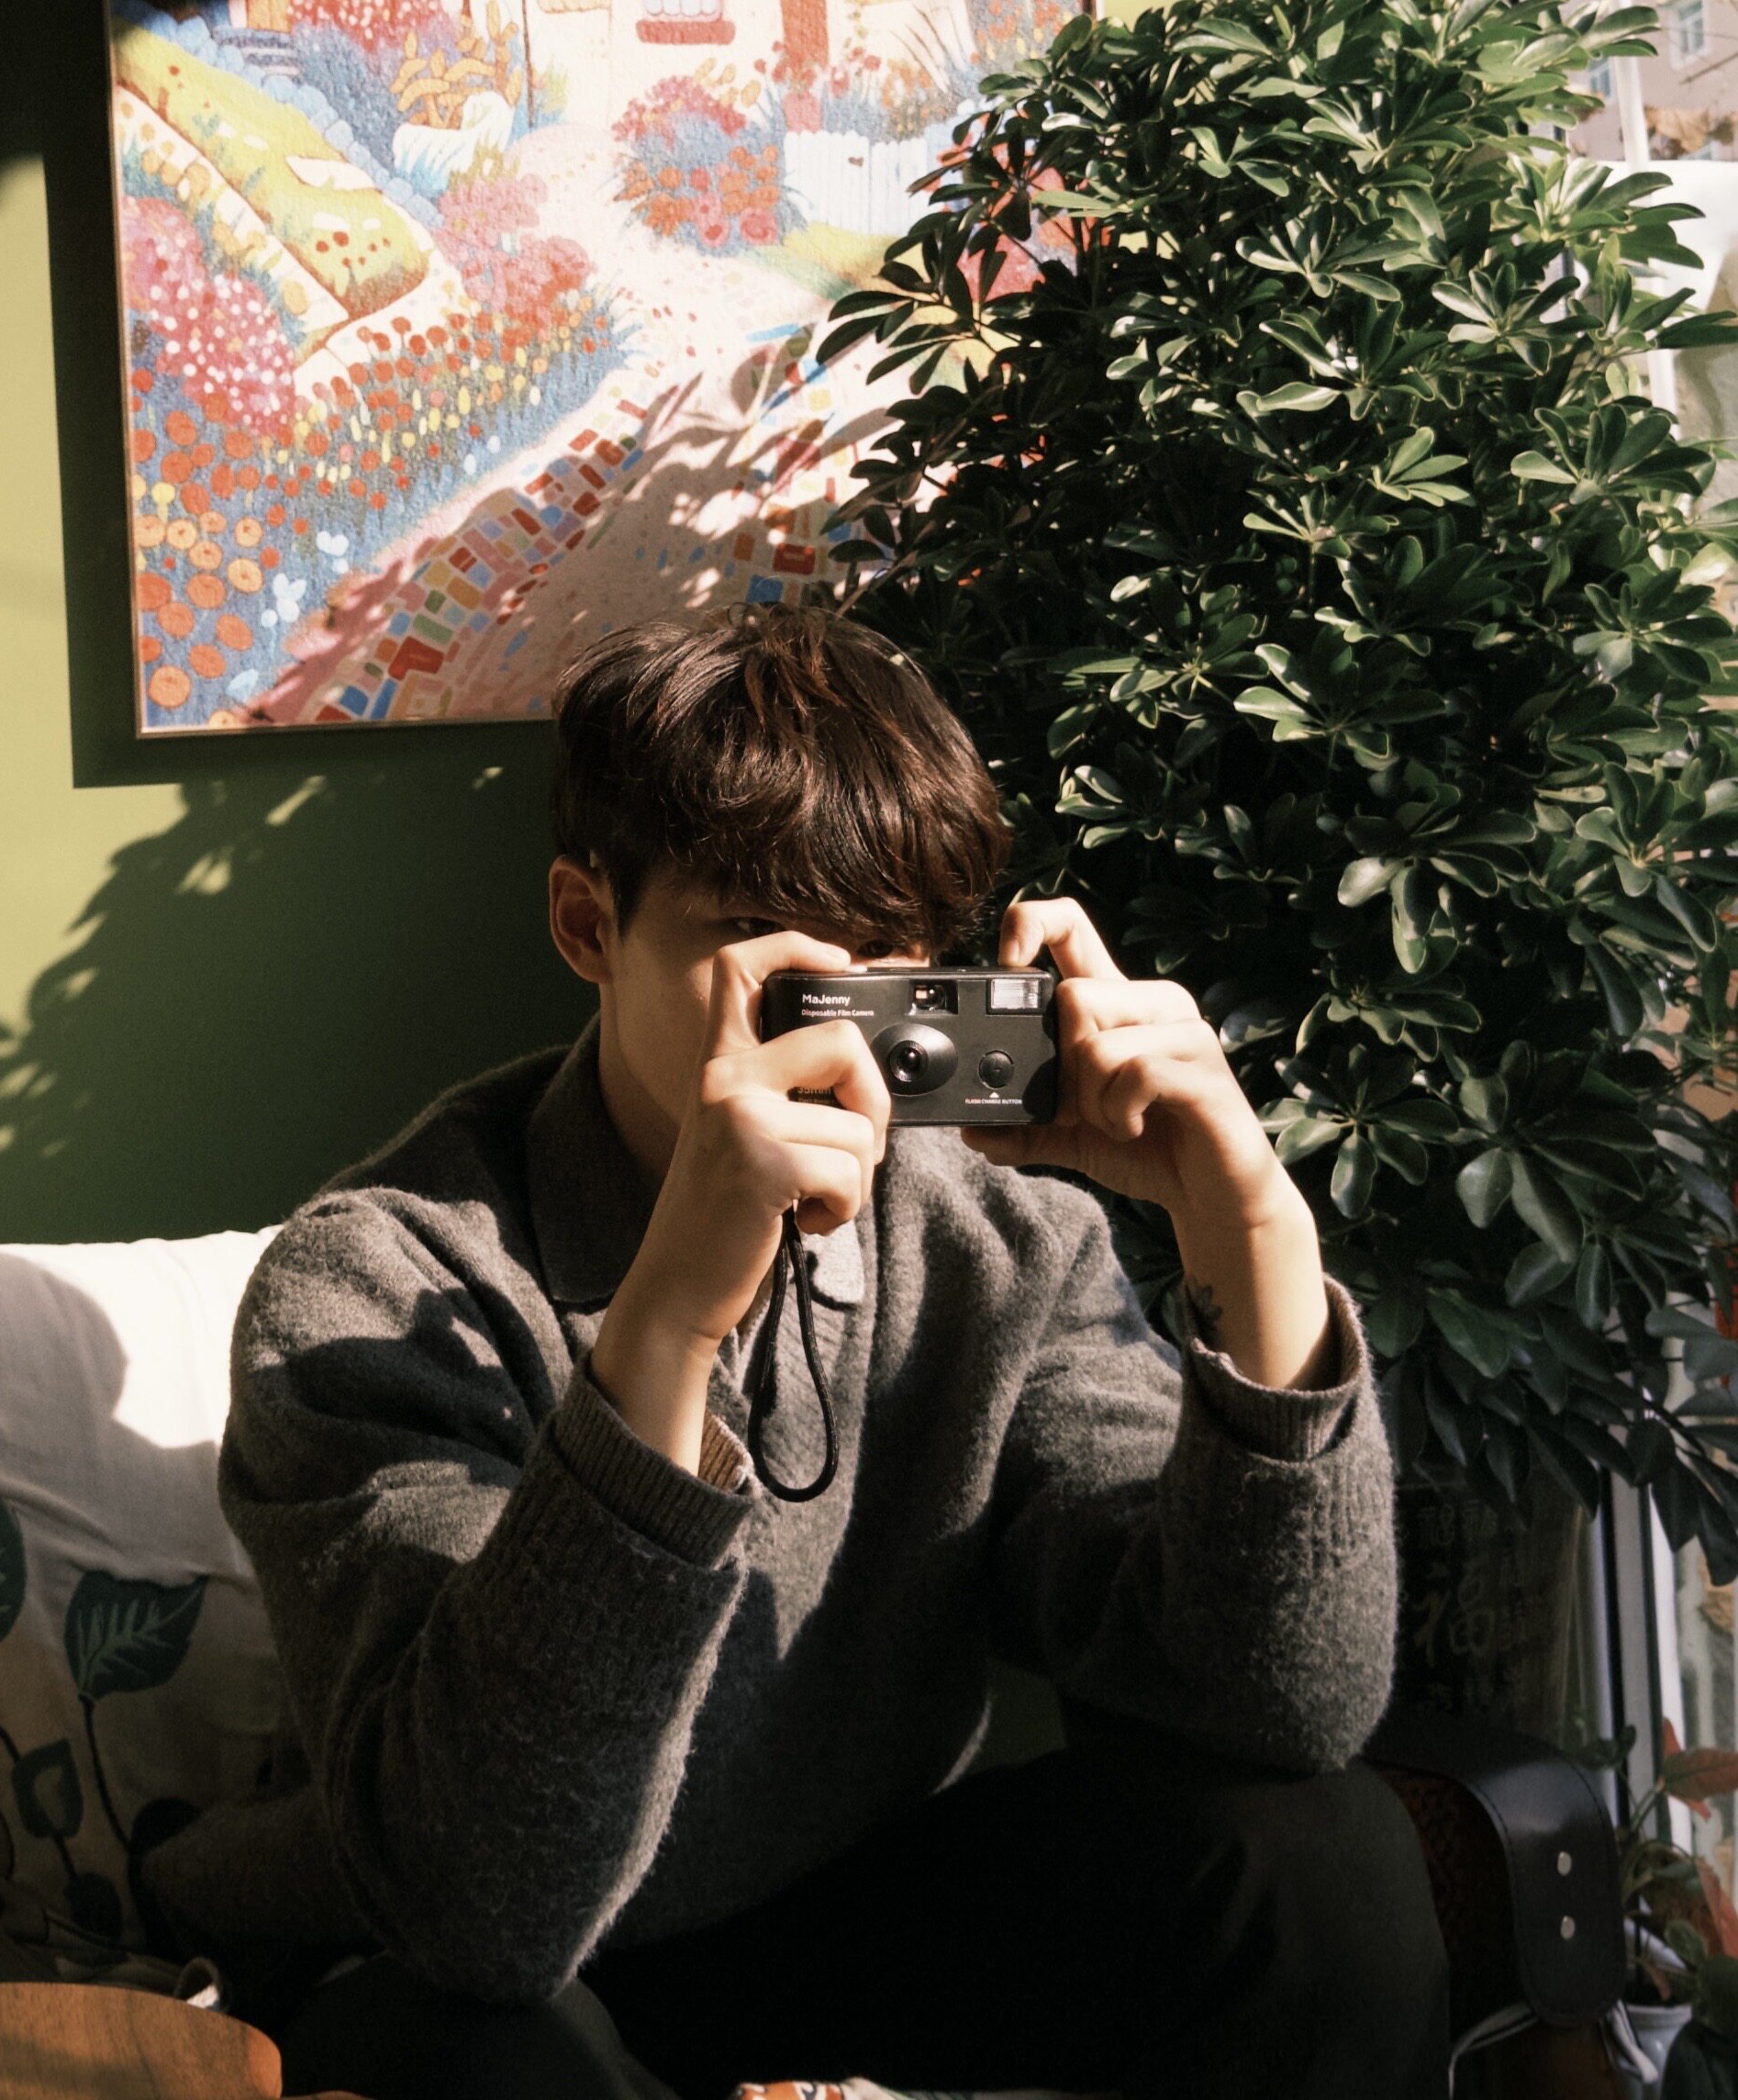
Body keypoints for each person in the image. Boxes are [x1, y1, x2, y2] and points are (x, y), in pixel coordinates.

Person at [138, 606, 1447, 2100]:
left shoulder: (992, 1242)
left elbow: (1274, 1704)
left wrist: (1249, 1226)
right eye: (779, 968)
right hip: (468, 1966)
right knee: (496, 2063)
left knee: (1320, 1862)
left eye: (891, 968)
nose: (840, 1035)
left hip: (834, 1910)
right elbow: (482, 1899)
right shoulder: (374, 1286)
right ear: (587, 926)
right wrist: (667, 1324)